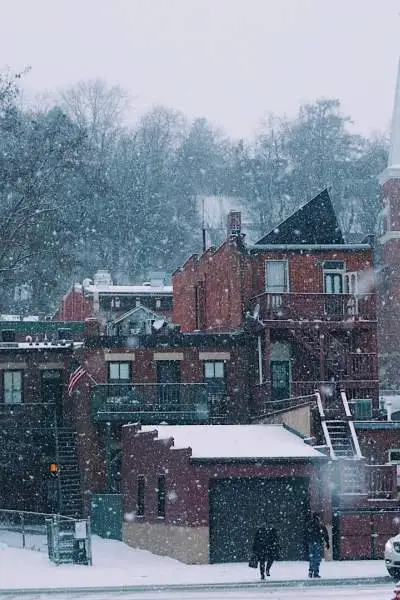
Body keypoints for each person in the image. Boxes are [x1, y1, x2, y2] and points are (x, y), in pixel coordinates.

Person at [305, 512, 330, 578]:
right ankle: (315, 572)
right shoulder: (320, 524)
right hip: (318, 542)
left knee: (312, 557)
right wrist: (327, 542)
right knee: (317, 558)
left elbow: (306, 534)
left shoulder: (309, 523)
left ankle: (310, 571)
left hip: (311, 542)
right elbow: (325, 533)